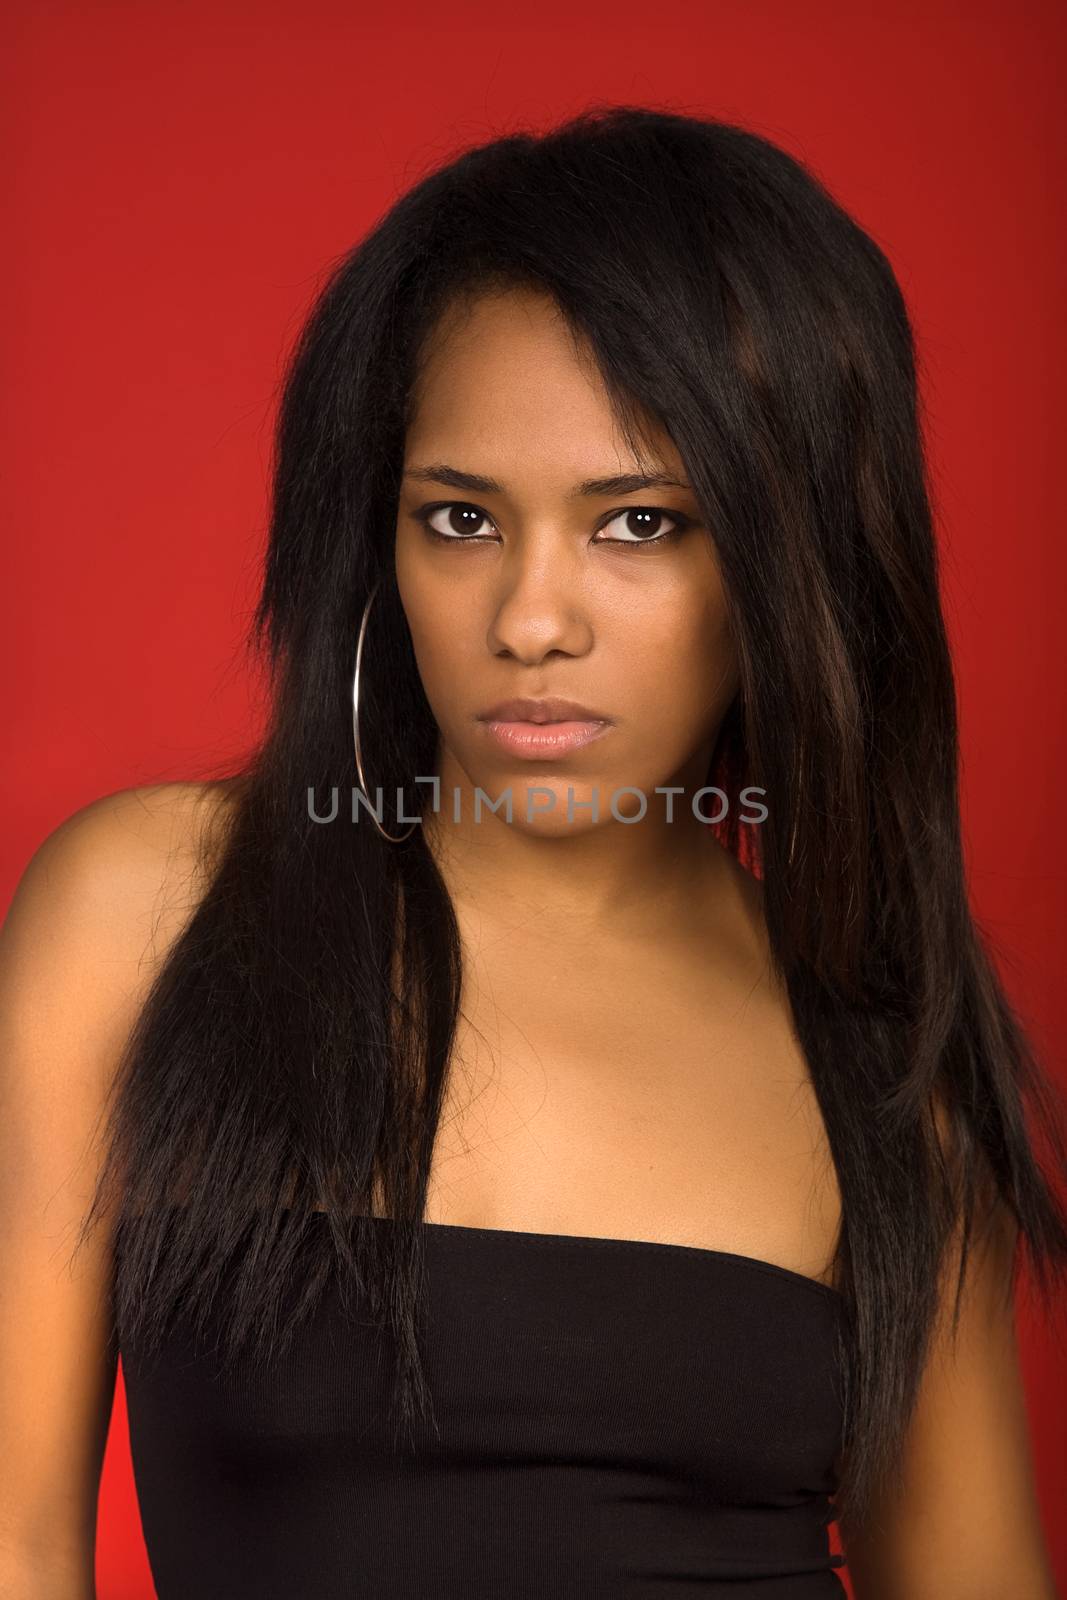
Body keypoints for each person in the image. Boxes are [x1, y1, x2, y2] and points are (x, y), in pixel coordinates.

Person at [1, 103, 1064, 1600]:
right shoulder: (152, 916)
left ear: (789, 558)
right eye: (460, 518)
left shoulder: (880, 1062)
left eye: (639, 524)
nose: (530, 619)